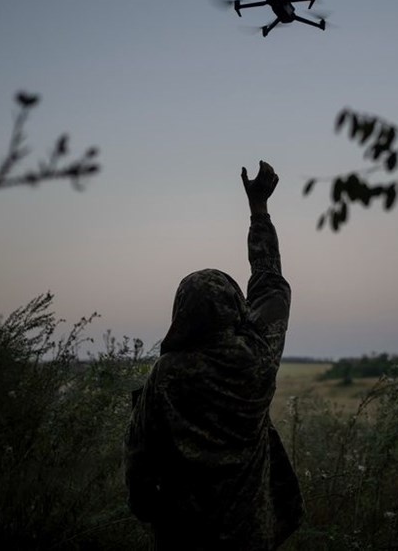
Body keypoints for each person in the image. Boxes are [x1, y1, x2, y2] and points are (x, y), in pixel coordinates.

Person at [124, 160, 304, 550]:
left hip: (181, 535)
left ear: (182, 312)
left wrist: (145, 507)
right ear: (236, 309)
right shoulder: (258, 357)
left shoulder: (166, 374)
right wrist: (259, 211)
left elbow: (139, 452)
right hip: (249, 535)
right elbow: (269, 282)